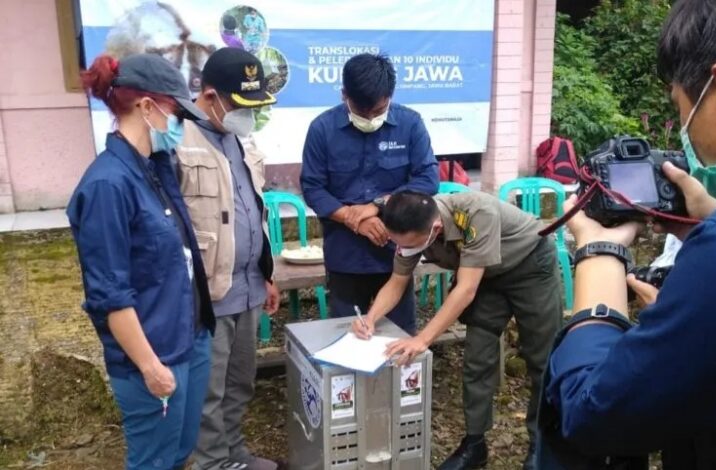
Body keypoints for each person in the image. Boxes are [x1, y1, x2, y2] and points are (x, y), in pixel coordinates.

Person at [540, 0, 716, 468]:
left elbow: (594, 413)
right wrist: (710, 226)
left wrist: (599, 252)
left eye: (682, 111)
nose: (688, 138)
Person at [67, 53, 215, 470]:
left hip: (188, 335)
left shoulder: (156, 167)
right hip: (153, 355)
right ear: (147, 107)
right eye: (176, 113)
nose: (180, 126)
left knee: (181, 452)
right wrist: (150, 366)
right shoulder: (107, 185)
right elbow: (109, 293)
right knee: (153, 460)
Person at [351, 190, 563, 470]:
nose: (407, 250)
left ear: (435, 229)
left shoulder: (477, 213)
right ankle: (474, 444)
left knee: (543, 360)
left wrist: (422, 339)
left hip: (530, 266)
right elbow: (397, 280)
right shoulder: (409, 229)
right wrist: (371, 317)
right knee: (477, 360)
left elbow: (465, 290)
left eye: (413, 245)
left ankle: (541, 444)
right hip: (485, 276)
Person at [175, 47, 281, 470]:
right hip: (209, 291)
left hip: (249, 286)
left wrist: (266, 274)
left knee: (241, 383)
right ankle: (212, 463)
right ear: (211, 94)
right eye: (238, 104)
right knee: (208, 391)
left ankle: (234, 452)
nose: (245, 114)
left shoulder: (240, 137)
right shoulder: (176, 138)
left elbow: (253, 208)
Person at [300, 53, 439, 334]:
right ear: (344, 96)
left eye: (377, 110)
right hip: (345, 254)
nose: (370, 118)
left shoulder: (410, 124)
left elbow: (428, 178)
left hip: (397, 250)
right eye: (361, 112)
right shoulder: (322, 129)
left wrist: (377, 206)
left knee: (399, 334)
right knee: (348, 333)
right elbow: (313, 187)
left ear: (390, 96)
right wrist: (356, 220)